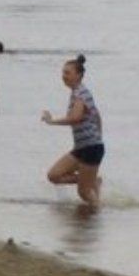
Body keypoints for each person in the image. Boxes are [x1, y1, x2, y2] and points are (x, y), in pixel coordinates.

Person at [41, 55, 103, 207]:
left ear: (78, 75)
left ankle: (98, 214)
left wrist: (52, 121)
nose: (64, 76)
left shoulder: (80, 93)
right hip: (82, 147)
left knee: (84, 192)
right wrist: (98, 136)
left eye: (67, 73)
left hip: (90, 148)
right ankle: (93, 181)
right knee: (54, 175)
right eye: (63, 73)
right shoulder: (78, 92)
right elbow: (97, 116)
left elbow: (75, 118)